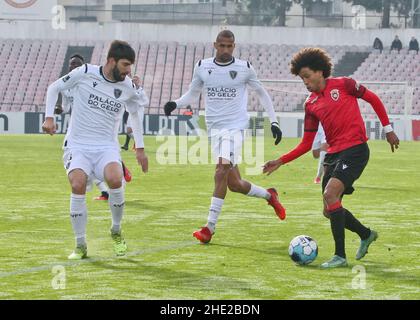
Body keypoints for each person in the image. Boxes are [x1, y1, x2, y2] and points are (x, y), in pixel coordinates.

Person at [263, 47, 400, 268]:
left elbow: (372, 98)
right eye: (301, 79)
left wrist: (388, 128)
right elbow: (307, 144)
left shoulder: (344, 84)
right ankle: (366, 234)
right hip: (333, 155)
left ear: (320, 71)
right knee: (329, 210)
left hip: (356, 150)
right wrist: (280, 160)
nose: (305, 82)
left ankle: (340, 256)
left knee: (330, 193)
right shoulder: (310, 104)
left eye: (307, 76)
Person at [163, 30, 285, 244]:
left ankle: (209, 228)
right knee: (234, 184)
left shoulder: (244, 68)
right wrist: (176, 103)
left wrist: (274, 121)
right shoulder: (203, 66)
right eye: (222, 46)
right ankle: (269, 195)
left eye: (230, 46)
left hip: (235, 128)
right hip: (214, 130)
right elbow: (193, 92)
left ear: (234, 47)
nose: (226, 50)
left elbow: (262, 94)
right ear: (215, 45)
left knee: (220, 171)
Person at [42, 40, 149, 259]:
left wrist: (140, 148)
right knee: (78, 184)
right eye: (125, 65)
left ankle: (116, 230)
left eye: (130, 66)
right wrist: (49, 118)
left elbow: (135, 114)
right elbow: (54, 87)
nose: (129, 71)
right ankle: (80, 244)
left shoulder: (127, 86)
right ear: (111, 61)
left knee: (115, 179)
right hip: (78, 145)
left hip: (106, 146)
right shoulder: (85, 72)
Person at [54, 54, 132, 201]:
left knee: (92, 161)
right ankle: (106, 192)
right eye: (71, 64)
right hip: (78, 128)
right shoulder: (66, 85)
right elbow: (65, 107)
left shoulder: (90, 80)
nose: (74, 66)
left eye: (77, 64)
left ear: (82, 66)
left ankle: (118, 168)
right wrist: (58, 109)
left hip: (98, 126)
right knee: (86, 165)